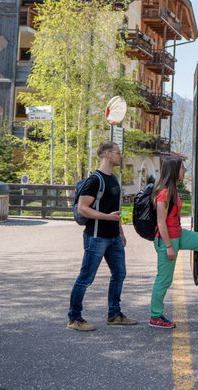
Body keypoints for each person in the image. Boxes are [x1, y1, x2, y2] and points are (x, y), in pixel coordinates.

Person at [67, 141, 137, 331]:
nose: (120, 156)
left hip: (113, 237)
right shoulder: (95, 180)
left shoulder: (113, 179)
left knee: (119, 274)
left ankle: (114, 315)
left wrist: (120, 231)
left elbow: (115, 210)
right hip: (96, 237)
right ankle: (74, 318)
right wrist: (108, 217)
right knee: (86, 278)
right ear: (107, 154)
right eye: (118, 152)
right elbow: (82, 209)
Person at [149, 157, 198, 329]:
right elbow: (161, 222)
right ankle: (155, 316)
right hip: (167, 239)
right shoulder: (164, 192)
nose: (185, 170)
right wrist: (168, 247)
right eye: (182, 167)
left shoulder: (172, 189)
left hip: (179, 234)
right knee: (164, 279)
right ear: (174, 170)